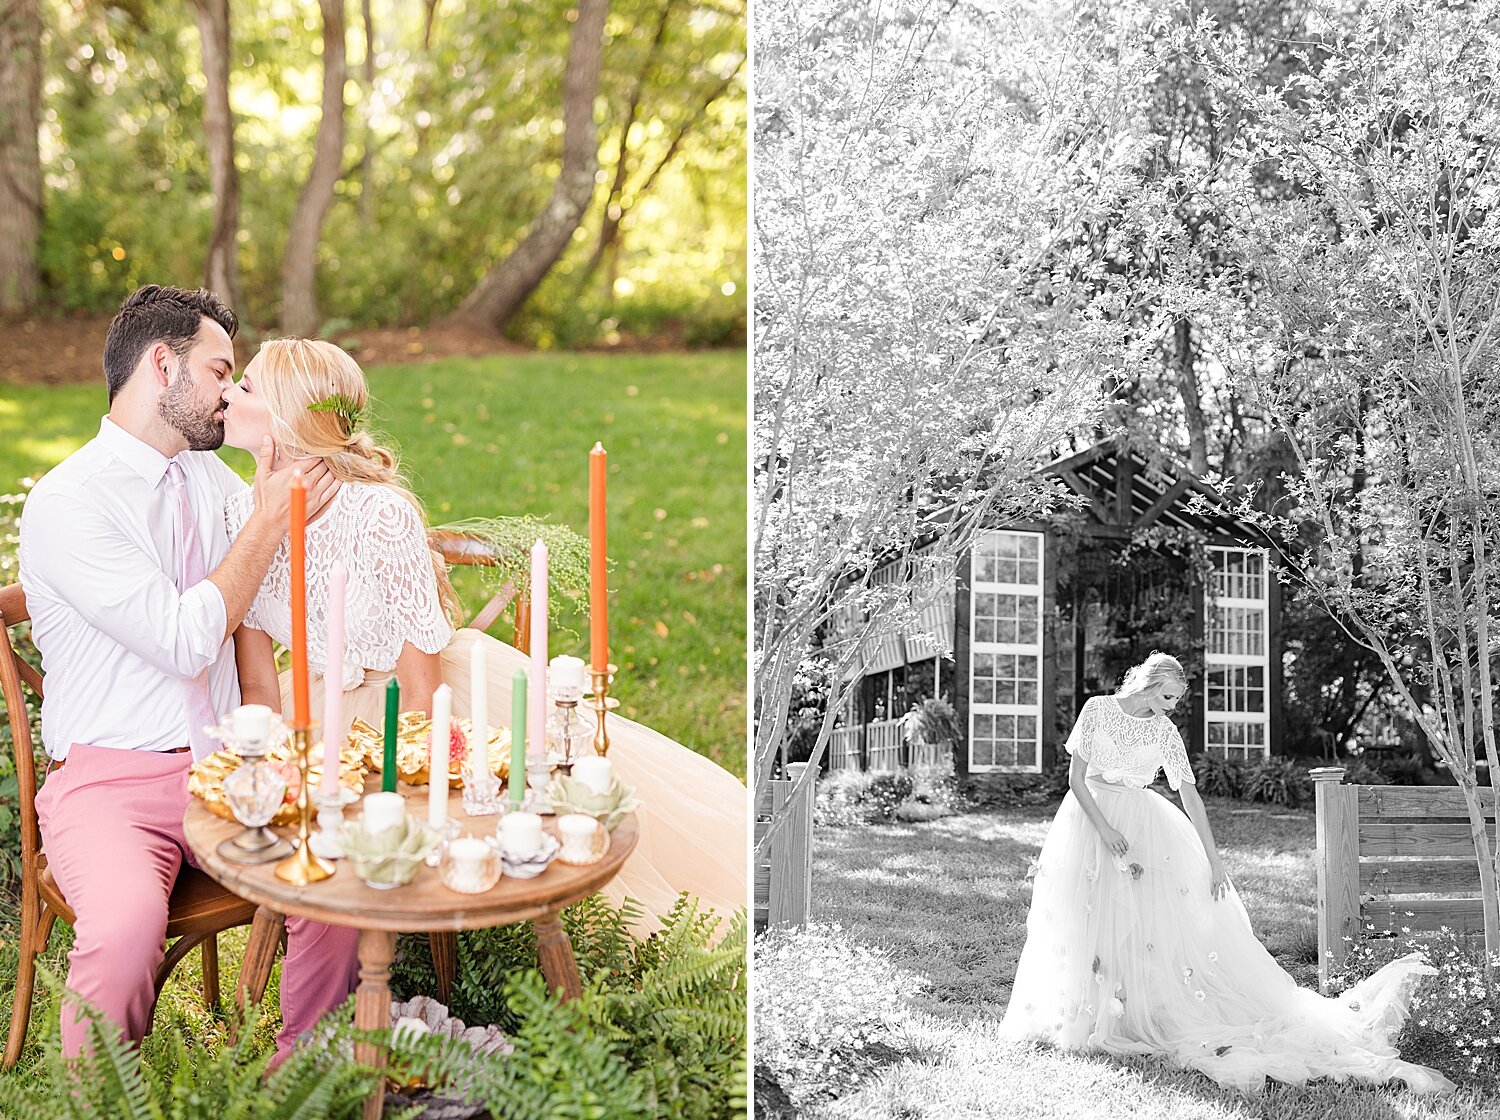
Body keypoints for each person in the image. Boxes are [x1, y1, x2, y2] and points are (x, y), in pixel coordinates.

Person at [220, 336, 746, 929]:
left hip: (413, 706)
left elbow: (421, 693)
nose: (226, 393)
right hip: (309, 711)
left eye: (245, 386)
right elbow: (260, 684)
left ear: (289, 417)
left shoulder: (377, 513)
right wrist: (274, 767)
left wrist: (401, 788)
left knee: (527, 836)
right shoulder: (239, 517)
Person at [16, 285, 361, 1063]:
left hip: (232, 770)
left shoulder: (212, 482)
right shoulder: (71, 502)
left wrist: (288, 446)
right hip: (112, 783)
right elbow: (182, 640)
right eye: (220, 372)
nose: (230, 394)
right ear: (162, 365)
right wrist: (270, 519)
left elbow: (285, 568)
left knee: (335, 881)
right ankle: (96, 1108)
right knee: (127, 926)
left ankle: (300, 1084)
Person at [999, 652, 1451, 1093]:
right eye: (1170, 697)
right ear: (1151, 685)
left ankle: (1132, 1010)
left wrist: (1214, 860)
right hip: (1088, 819)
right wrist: (1106, 830)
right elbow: (1076, 779)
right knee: (1087, 914)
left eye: (1176, 699)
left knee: (1141, 922)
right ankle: (1083, 1012)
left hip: (1143, 825)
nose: (1173, 706)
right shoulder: (1097, 710)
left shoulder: (1164, 730)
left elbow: (1190, 796)